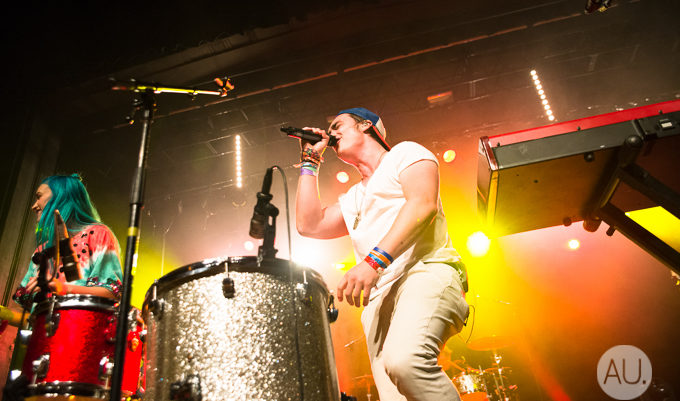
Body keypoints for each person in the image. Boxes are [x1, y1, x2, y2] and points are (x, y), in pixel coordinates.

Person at [295, 107, 470, 400]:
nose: (331, 133)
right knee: (395, 394)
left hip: (424, 271)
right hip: (379, 299)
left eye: (338, 125)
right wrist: (310, 160)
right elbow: (309, 224)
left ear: (366, 125)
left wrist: (373, 262)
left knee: (405, 362)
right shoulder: (353, 197)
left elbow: (423, 204)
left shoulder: (405, 153)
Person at [12, 174, 123, 310]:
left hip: (77, 322)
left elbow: (112, 293)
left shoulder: (98, 234)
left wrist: (61, 288)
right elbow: (24, 301)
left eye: (38, 197)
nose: (33, 206)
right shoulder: (42, 250)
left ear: (61, 196)